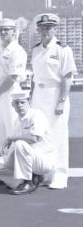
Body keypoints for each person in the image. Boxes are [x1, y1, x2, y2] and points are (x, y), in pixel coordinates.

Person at [30, 13, 77, 189]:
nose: (45, 30)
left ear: (55, 29)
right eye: (42, 27)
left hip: (55, 94)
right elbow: (35, 77)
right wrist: (31, 98)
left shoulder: (63, 49)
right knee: (39, 135)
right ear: (38, 29)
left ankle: (60, 175)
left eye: (49, 27)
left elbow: (67, 77)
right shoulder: (35, 50)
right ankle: (44, 173)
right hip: (38, 96)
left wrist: (61, 101)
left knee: (57, 135)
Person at [0, 90, 55, 195]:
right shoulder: (17, 121)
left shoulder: (37, 115)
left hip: (43, 160)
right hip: (28, 159)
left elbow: (35, 139)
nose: (20, 105)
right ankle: (23, 181)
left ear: (29, 102)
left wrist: (12, 138)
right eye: (16, 103)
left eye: (22, 102)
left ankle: (28, 183)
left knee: (20, 143)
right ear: (12, 105)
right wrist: (8, 156)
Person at [0, 18, 27, 157]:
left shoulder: (17, 51)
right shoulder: (2, 49)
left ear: (14, 31)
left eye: (7, 29)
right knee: (2, 132)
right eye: (1, 30)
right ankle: (6, 172)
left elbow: (12, 78)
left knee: (12, 130)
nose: (3, 32)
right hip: (1, 93)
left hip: (11, 93)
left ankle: (17, 173)